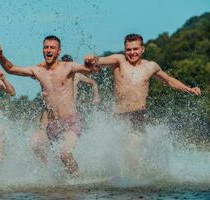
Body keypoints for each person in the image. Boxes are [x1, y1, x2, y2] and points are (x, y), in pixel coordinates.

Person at [84, 33, 201, 175]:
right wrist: (91, 59)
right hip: (118, 116)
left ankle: (136, 183)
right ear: (124, 50)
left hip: (139, 114)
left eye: (135, 49)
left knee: (132, 147)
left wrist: (189, 89)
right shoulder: (118, 60)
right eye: (128, 49)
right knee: (121, 153)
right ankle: (128, 180)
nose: (132, 52)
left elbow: (169, 80)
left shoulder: (151, 66)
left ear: (142, 49)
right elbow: (98, 61)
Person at [0, 35, 95, 175]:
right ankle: (50, 172)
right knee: (35, 143)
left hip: (71, 123)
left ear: (58, 51)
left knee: (64, 153)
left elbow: (92, 70)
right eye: (46, 47)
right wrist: (0, 56)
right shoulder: (38, 70)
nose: (48, 50)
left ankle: (78, 178)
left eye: (52, 47)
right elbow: (11, 69)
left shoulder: (68, 67)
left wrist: (91, 61)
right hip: (52, 126)